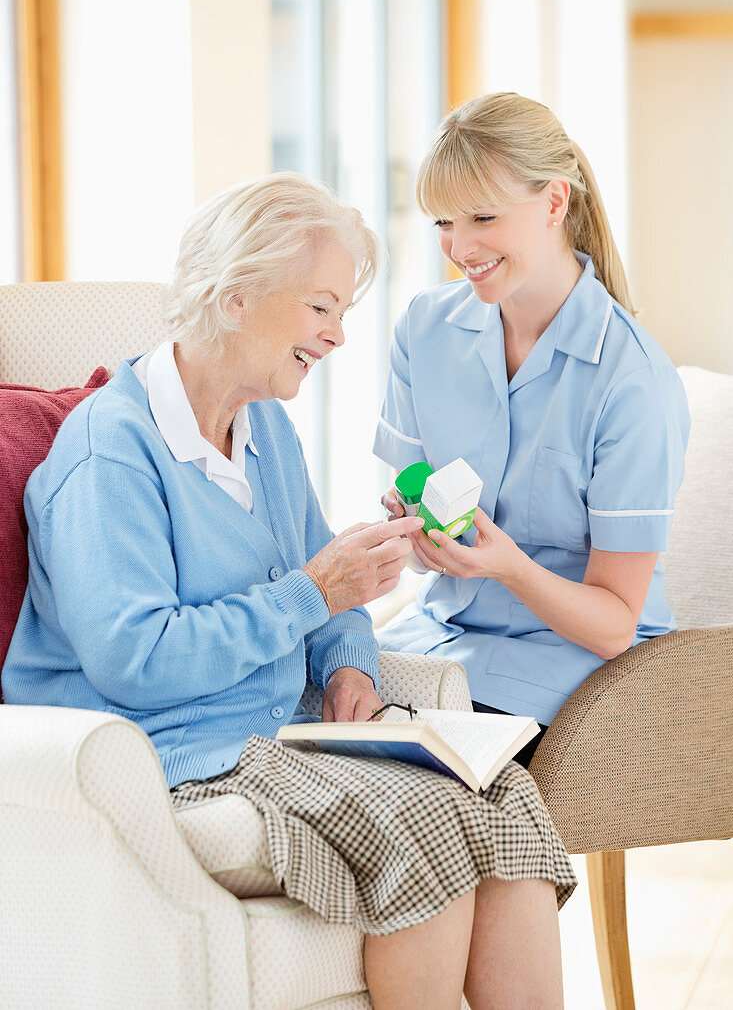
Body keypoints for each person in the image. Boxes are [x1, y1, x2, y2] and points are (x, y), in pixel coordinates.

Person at [4, 172, 575, 1009]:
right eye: (320, 308)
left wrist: (350, 670)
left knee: (502, 793)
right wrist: (314, 593)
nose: (338, 335)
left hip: (280, 735)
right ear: (236, 297)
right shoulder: (111, 453)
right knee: (419, 821)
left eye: (340, 311)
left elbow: (320, 586)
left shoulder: (262, 425)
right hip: (175, 751)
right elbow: (135, 660)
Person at [375, 92, 691, 765]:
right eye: (442, 223)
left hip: (567, 669)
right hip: (437, 638)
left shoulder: (629, 378)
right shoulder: (423, 332)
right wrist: (413, 534)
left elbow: (612, 625)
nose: (459, 248)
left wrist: (506, 566)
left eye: (483, 217)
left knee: (408, 774)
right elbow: (406, 520)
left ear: (553, 203)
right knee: (294, 718)